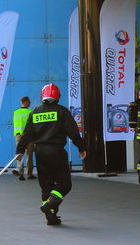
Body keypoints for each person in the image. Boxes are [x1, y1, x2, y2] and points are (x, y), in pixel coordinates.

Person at [16, 83, 86, 225]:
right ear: (58, 96)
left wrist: (20, 151)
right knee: (64, 184)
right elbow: (73, 132)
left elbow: (27, 134)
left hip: (40, 152)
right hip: (56, 151)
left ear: (43, 96)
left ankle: (51, 217)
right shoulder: (62, 111)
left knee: (46, 185)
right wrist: (81, 147)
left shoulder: (34, 112)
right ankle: (49, 205)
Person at [12, 96, 35, 180]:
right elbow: (33, 125)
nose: (30, 103)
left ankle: (20, 173)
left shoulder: (15, 112)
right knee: (29, 155)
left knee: (19, 154)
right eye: (29, 102)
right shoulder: (31, 112)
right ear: (26, 102)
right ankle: (30, 174)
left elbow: (15, 124)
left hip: (18, 136)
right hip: (29, 136)